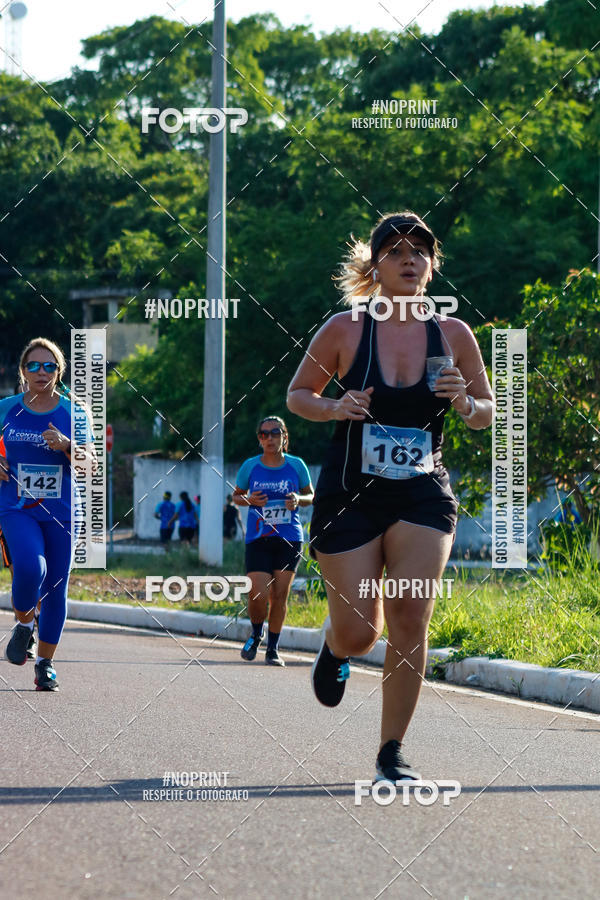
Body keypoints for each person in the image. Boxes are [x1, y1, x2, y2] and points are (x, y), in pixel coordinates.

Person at [287, 212, 494, 781]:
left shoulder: (454, 335)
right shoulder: (346, 329)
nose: (409, 259)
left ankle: (390, 753)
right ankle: (335, 648)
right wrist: (335, 406)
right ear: (375, 265)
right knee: (362, 632)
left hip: (423, 495)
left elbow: (486, 413)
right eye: (396, 250)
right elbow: (298, 394)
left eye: (420, 250)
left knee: (409, 615)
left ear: (432, 265)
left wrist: (464, 403)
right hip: (350, 495)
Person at [0, 337, 97, 691]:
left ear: (60, 371)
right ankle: (25, 623)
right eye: (34, 366)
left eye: (50, 366)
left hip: (62, 512)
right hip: (16, 507)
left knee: (55, 588)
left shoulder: (75, 412)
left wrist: (69, 446)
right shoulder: (6, 408)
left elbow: (91, 466)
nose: (42, 372)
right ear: (23, 371)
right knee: (29, 567)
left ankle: (45, 664)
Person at [232, 416, 314, 666]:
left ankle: (273, 649)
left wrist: (299, 501)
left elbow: (311, 494)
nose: (269, 438)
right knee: (258, 594)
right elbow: (236, 497)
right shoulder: (250, 466)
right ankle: (257, 634)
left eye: (274, 433)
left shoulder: (296, 465)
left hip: (289, 537)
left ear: (284, 437)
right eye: (263, 434)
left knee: (280, 595)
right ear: (259, 439)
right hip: (258, 537)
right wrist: (250, 501)